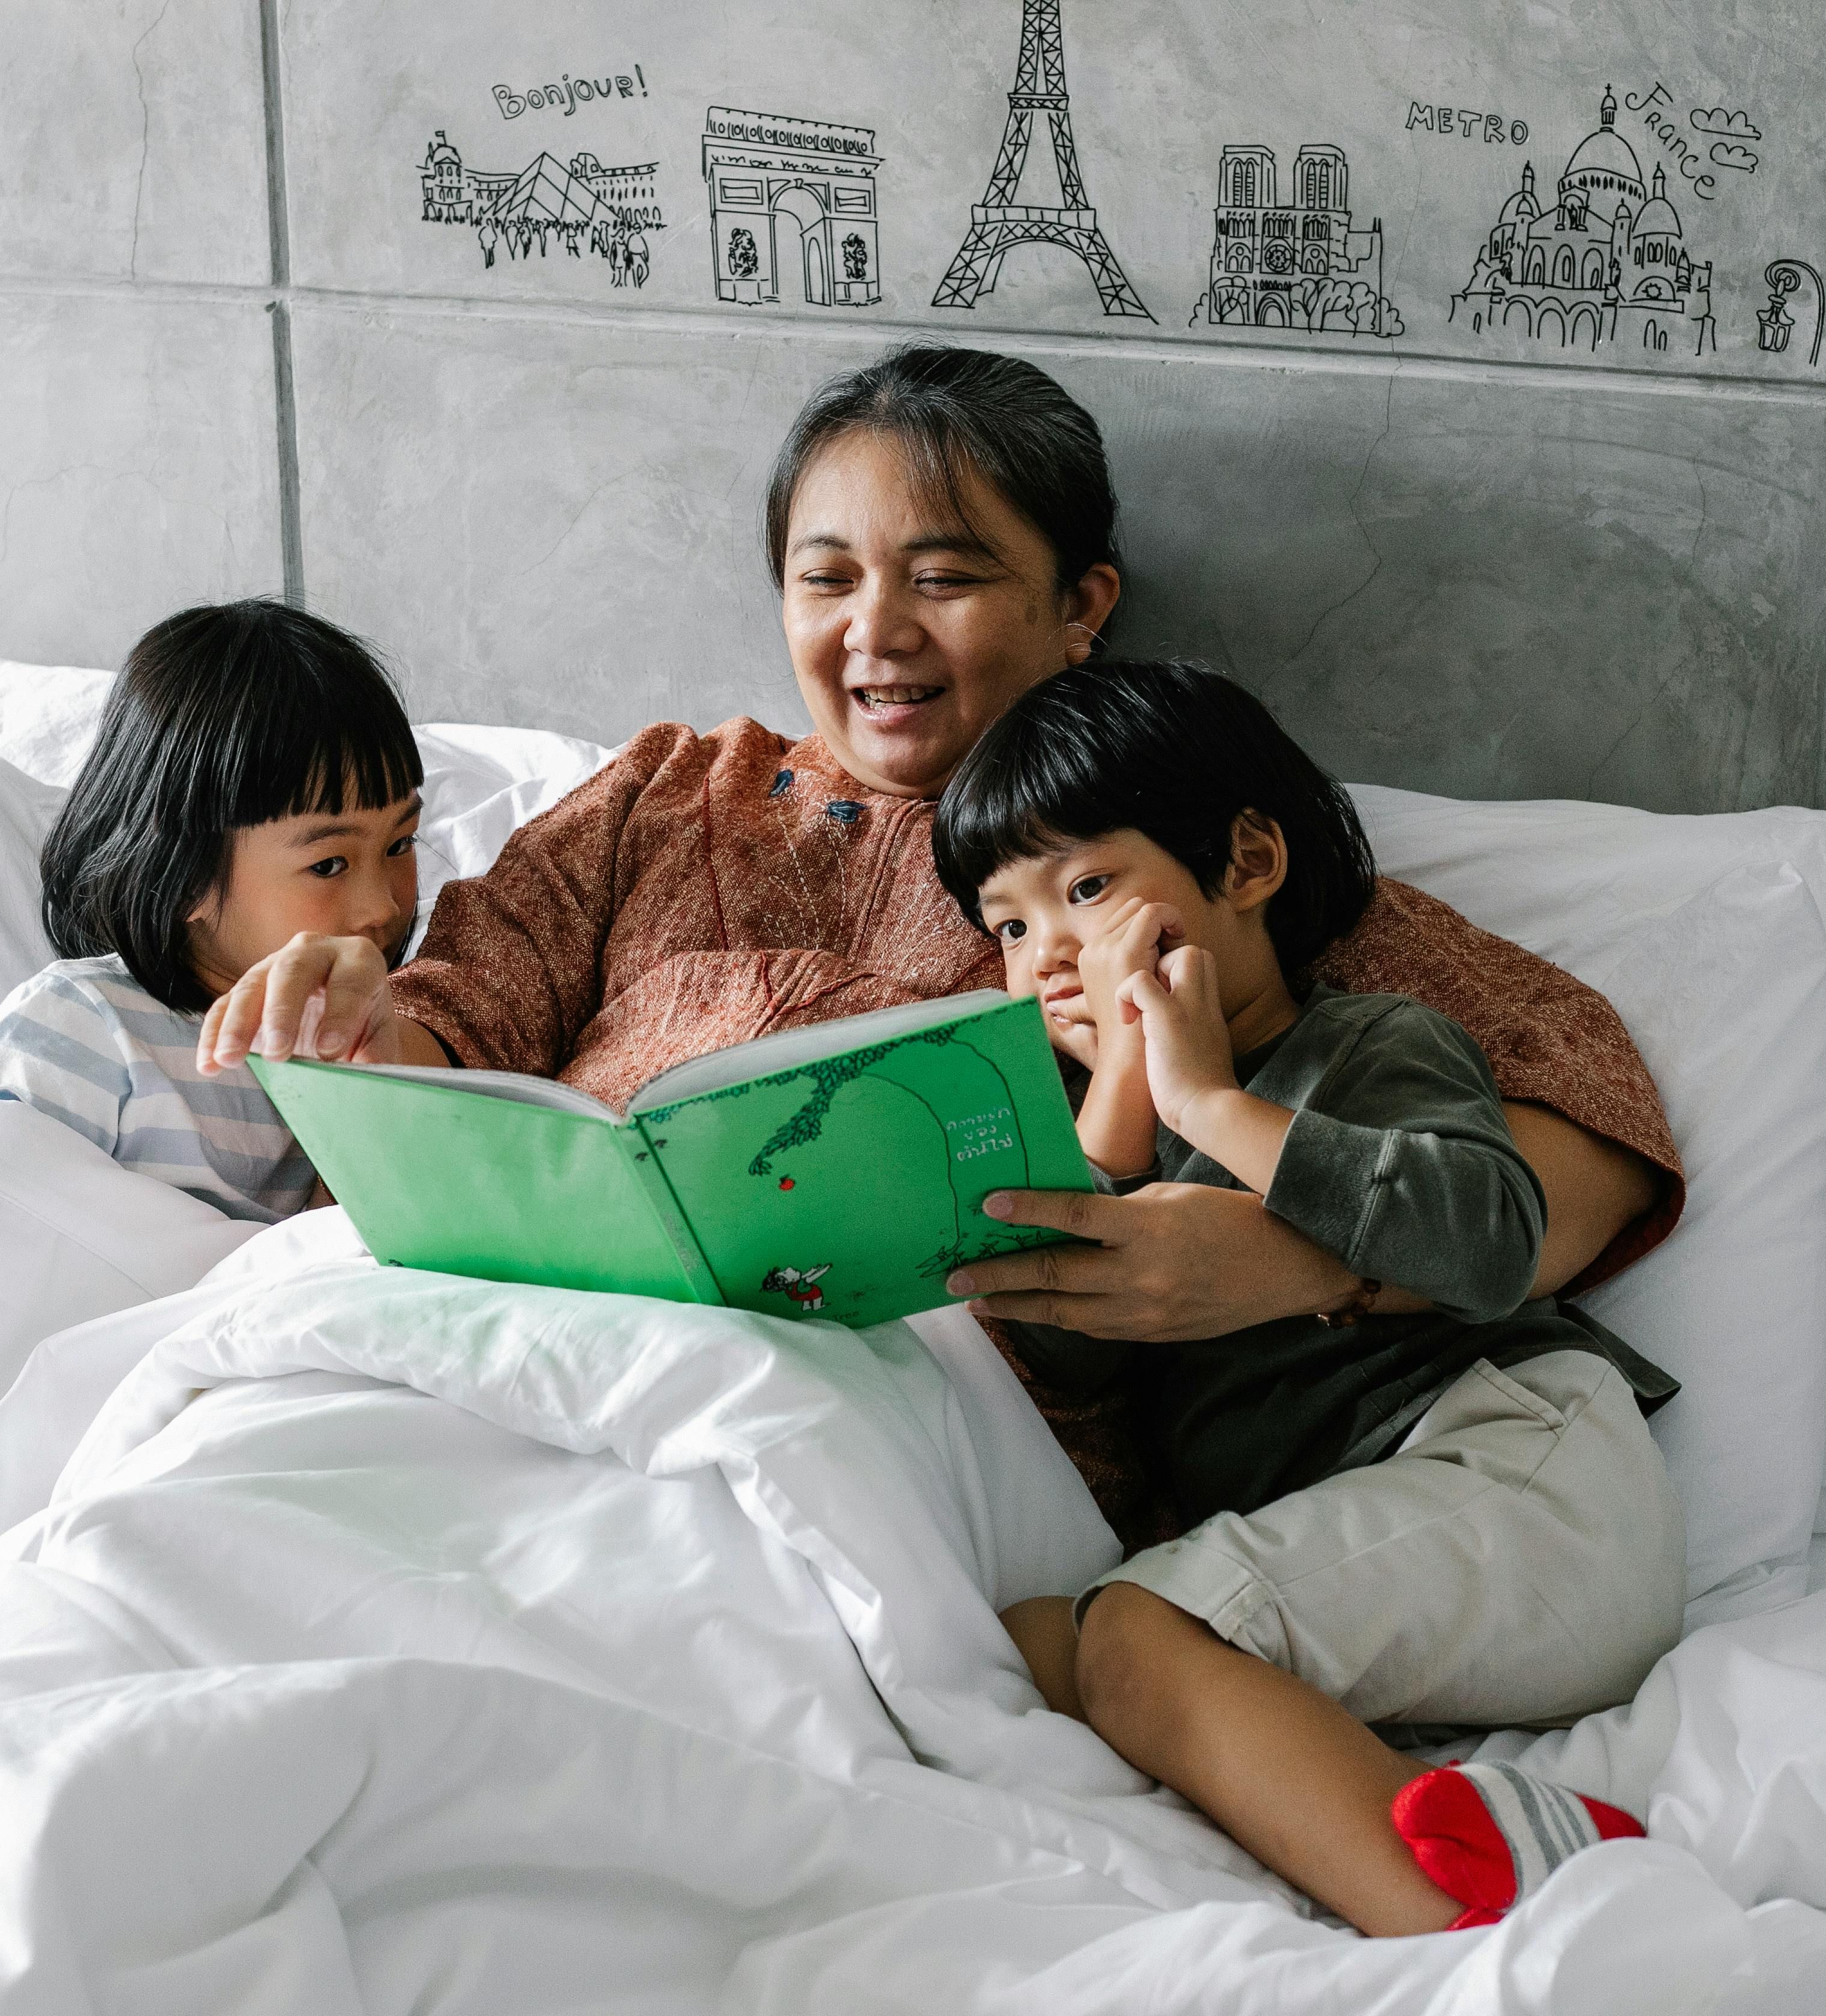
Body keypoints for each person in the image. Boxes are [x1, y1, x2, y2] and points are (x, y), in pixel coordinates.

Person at [199, 344, 1684, 1538]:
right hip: (514, 1382)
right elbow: (455, 1053)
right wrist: (347, 1015)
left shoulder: (1163, 858)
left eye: (949, 577)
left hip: (888, 1462)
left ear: (1081, 604)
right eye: (827, 577)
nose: (877, 632)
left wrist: (1297, 1264)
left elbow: (1589, 1114)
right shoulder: (664, 796)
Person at [933, 658, 1683, 1937]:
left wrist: (1213, 1108)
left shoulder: (1372, 1043)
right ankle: (1470, 1822)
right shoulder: (1093, 1130)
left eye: (1089, 889)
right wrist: (1121, 1104)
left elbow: (1490, 1239)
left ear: (1248, 863)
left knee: (1133, 1640)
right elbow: (1074, 1370)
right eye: (1009, 926)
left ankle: (1493, 1930)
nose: (1046, 953)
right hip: (1394, 1541)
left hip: (1526, 1475)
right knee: (1032, 1645)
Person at [0, 599, 424, 1220]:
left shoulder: (380, 1039)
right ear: (184, 879)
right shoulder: (87, 1026)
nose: (382, 904)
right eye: (329, 865)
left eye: (400, 845)